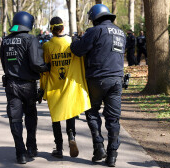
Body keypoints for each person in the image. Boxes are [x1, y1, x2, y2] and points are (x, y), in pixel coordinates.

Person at [70, 4, 126, 167]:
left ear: (95, 18)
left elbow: (79, 50)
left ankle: (99, 147)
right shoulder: (121, 33)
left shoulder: (95, 31)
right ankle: (112, 156)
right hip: (116, 80)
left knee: (92, 112)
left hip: (97, 79)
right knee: (113, 118)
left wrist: (75, 41)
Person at [0, 11, 50, 164]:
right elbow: (36, 63)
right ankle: (31, 147)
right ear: (28, 23)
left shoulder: (5, 40)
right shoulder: (30, 39)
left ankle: (20, 153)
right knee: (30, 116)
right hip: (28, 85)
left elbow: (3, 63)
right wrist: (47, 67)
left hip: (10, 84)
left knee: (15, 118)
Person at [40, 16, 91, 158]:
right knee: (70, 114)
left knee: (56, 119)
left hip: (54, 87)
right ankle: (71, 137)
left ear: (51, 30)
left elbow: (44, 70)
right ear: (63, 27)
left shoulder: (47, 46)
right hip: (71, 87)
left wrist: (42, 89)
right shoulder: (73, 43)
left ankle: (59, 148)